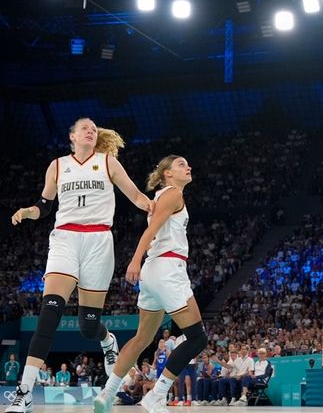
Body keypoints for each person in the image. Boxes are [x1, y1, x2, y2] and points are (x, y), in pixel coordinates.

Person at [6, 118, 152, 413]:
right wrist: (28, 211)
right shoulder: (57, 165)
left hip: (99, 241)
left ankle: (107, 339)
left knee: (88, 326)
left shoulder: (108, 162)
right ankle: (24, 392)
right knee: (50, 313)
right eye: (85, 127)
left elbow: (136, 196)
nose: (91, 130)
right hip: (65, 239)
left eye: (94, 129)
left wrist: (154, 205)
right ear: (72, 135)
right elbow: (45, 205)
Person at [93, 155, 208, 413]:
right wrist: (134, 259)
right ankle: (156, 395)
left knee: (142, 337)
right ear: (167, 173)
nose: (188, 167)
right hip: (167, 268)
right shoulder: (172, 194)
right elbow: (152, 229)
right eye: (181, 164)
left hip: (154, 272)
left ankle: (108, 393)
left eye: (188, 163)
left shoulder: (162, 196)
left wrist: (140, 264)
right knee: (197, 338)